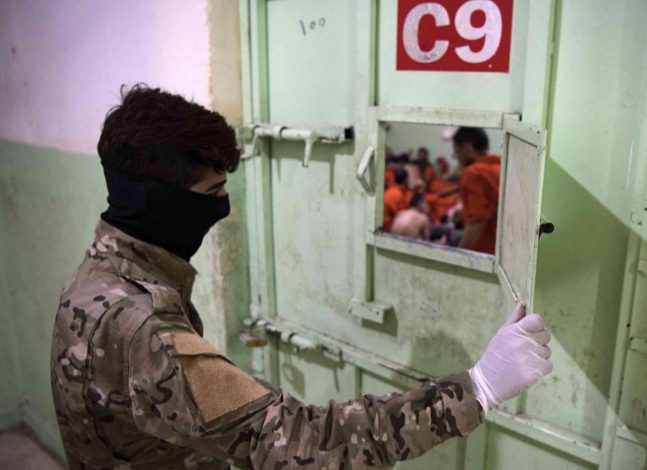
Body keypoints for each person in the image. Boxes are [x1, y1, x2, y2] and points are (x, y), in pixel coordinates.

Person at [51, 85, 553, 469]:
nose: (222, 208)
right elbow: (300, 442)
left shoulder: (99, 277)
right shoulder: (144, 328)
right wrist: (478, 388)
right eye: (212, 193)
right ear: (159, 202)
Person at [452, 127, 501, 254]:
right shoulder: (500, 165)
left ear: (467, 148)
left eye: (457, 152)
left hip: (485, 250)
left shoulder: (473, 173)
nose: (458, 159)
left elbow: (478, 222)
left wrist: (459, 256)